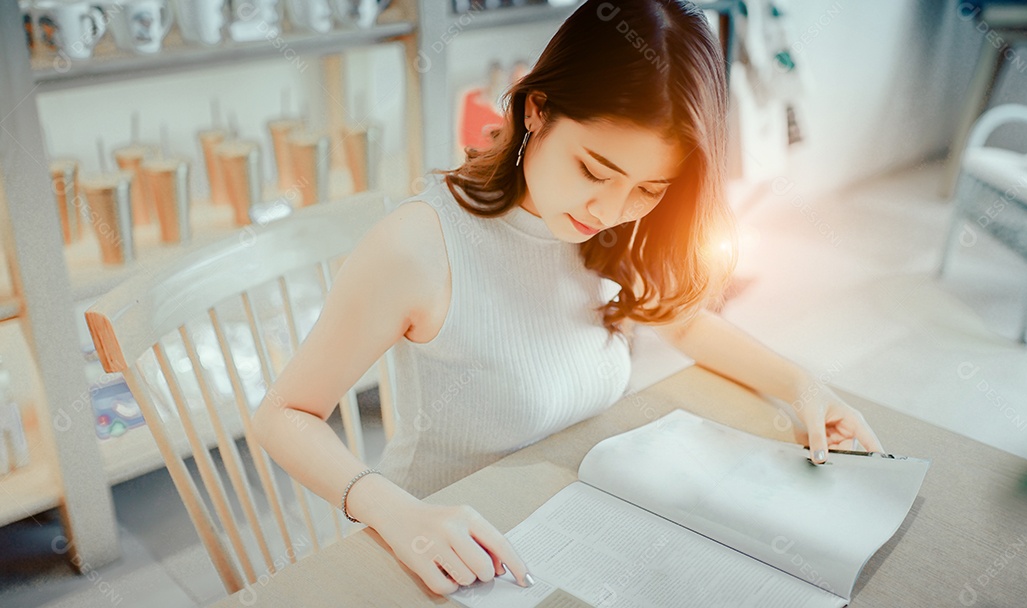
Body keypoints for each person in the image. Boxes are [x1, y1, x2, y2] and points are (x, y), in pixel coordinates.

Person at [252, 0, 884, 598]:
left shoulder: (611, 227)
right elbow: (283, 415)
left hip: (565, 523)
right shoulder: (421, 246)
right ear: (536, 110)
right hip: (443, 548)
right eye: (594, 171)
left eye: (649, 187)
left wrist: (801, 386)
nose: (609, 210)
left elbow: (681, 322)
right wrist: (397, 514)